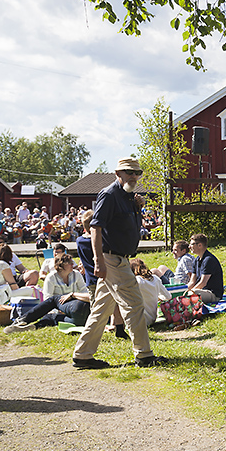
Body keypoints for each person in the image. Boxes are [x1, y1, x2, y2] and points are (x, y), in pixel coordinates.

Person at [71, 158, 167, 369]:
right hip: (112, 259)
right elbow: (95, 228)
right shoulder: (109, 194)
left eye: (136, 172)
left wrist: (138, 207)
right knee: (134, 304)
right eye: (128, 172)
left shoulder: (129, 197)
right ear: (118, 173)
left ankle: (82, 355)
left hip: (120, 258)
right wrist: (98, 261)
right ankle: (144, 355)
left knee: (101, 310)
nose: (133, 176)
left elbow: (125, 226)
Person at [4, 253, 90, 333]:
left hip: (73, 304)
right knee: (55, 317)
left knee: (54, 300)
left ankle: (23, 319)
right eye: (70, 263)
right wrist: (57, 311)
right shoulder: (51, 277)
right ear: (61, 265)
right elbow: (47, 297)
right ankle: (35, 326)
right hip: (79, 317)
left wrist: (72, 295)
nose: (73, 265)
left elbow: (84, 291)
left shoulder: (76, 274)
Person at [130, 258, 171, 325]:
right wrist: (156, 297)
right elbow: (168, 296)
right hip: (152, 319)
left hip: (138, 320)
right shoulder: (156, 279)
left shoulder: (136, 281)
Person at [188, 233, 224, 305]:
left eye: (192, 244)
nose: (189, 247)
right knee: (183, 295)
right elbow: (192, 282)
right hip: (200, 291)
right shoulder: (196, 260)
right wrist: (183, 291)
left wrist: (190, 292)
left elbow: (203, 283)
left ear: (200, 245)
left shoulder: (209, 260)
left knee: (192, 294)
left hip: (212, 293)